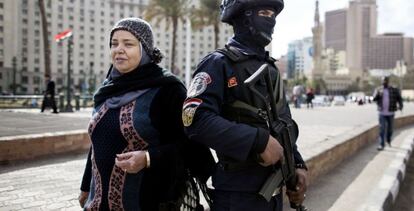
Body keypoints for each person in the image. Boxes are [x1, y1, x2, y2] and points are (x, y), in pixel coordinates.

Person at [182, 0, 308, 210]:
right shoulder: (218, 63)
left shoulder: (270, 69)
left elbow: (282, 124)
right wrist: (257, 141)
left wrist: (297, 164)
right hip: (237, 195)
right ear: (244, 16)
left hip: (273, 196)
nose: (272, 21)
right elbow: (194, 119)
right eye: (265, 13)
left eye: (274, 15)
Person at [78, 17, 213, 211]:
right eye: (114, 44)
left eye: (128, 44)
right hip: (98, 204)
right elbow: (97, 144)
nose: (119, 49)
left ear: (145, 49)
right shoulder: (107, 90)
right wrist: (85, 187)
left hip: (150, 202)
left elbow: (192, 146)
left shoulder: (168, 89)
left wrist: (149, 158)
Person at [373, 76, 403, 151]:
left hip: (391, 112)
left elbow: (399, 98)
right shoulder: (379, 89)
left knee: (390, 129)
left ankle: (388, 140)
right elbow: (374, 99)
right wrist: (378, 94)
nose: (384, 82)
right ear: (381, 81)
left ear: (388, 81)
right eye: (383, 81)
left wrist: (401, 105)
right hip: (382, 113)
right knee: (381, 129)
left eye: (385, 81)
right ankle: (381, 144)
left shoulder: (394, 89)